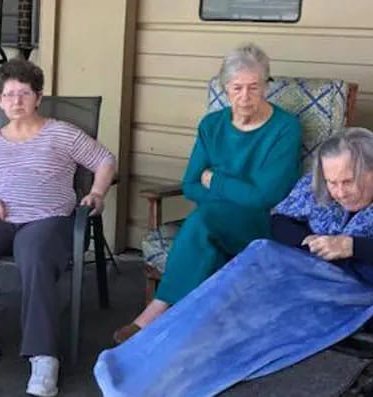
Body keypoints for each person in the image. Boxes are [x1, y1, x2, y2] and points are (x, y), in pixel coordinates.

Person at [95, 127, 373, 396]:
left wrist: (352, 247)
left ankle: (181, 374)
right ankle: (157, 359)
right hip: (305, 265)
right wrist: (310, 244)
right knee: (246, 274)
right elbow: (280, 220)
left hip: (362, 281)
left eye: (347, 182)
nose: (336, 192)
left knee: (255, 317)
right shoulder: (325, 181)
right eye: (331, 183)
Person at [0, 58, 117, 397]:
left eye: (24, 93)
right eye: (8, 95)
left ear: (38, 97)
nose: (16, 101)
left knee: (35, 254)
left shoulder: (62, 133)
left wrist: (97, 193)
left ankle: (43, 354)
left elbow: (104, 159)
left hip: (48, 218)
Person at [114, 43, 303, 343]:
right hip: (215, 224)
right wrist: (238, 190)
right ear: (225, 88)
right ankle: (190, 332)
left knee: (204, 219)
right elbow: (190, 184)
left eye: (254, 87)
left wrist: (214, 180)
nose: (245, 97)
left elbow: (265, 197)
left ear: (267, 86)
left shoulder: (285, 128)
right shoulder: (212, 126)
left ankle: (157, 312)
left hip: (261, 224)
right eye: (237, 87)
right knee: (208, 238)